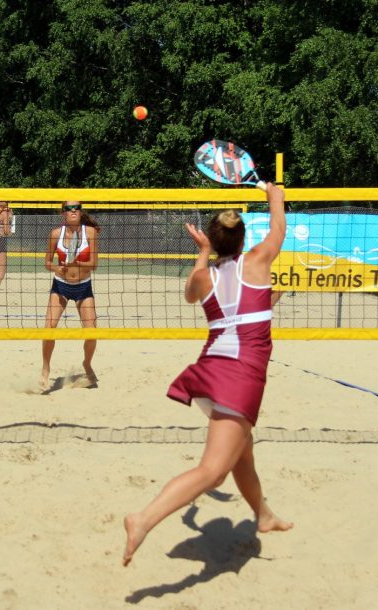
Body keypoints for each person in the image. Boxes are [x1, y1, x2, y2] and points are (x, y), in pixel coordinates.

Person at [123, 185, 293, 566]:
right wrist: (275, 197)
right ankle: (142, 519)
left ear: (213, 242)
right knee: (214, 471)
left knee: (242, 452)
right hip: (239, 376)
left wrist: (202, 254)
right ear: (244, 238)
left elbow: (190, 294)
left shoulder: (204, 278)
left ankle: (263, 515)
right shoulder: (258, 261)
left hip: (208, 371)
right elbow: (279, 230)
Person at [40, 201, 100, 391]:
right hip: (61, 285)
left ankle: (87, 364)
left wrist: (75, 263)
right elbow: (47, 262)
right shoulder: (55, 234)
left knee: (92, 333)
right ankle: (45, 368)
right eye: (69, 208)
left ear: (80, 211)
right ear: (63, 212)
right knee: (49, 328)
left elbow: (93, 264)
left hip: (83, 286)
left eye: (77, 207)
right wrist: (57, 267)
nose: (73, 210)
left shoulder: (89, 233)